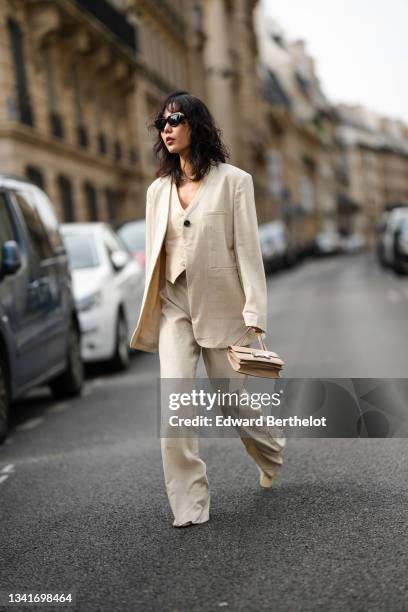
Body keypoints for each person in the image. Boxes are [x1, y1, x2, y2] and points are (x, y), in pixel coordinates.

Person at [129, 90, 286, 527]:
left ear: (196, 124)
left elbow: (249, 253)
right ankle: (190, 504)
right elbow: (156, 256)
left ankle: (270, 453)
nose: (167, 127)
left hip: (223, 309)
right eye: (162, 122)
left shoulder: (235, 182)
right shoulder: (156, 191)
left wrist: (255, 316)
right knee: (174, 407)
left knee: (235, 404)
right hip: (174, 307)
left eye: (176, 119)